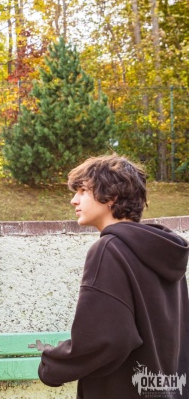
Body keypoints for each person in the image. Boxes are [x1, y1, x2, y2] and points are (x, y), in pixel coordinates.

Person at [38, 155, 189, 398]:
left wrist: (51, 366)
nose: (73, 200)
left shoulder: (109, 249)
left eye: (83, 191)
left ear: (111, 196)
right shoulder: (167, 254)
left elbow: (105, 339)